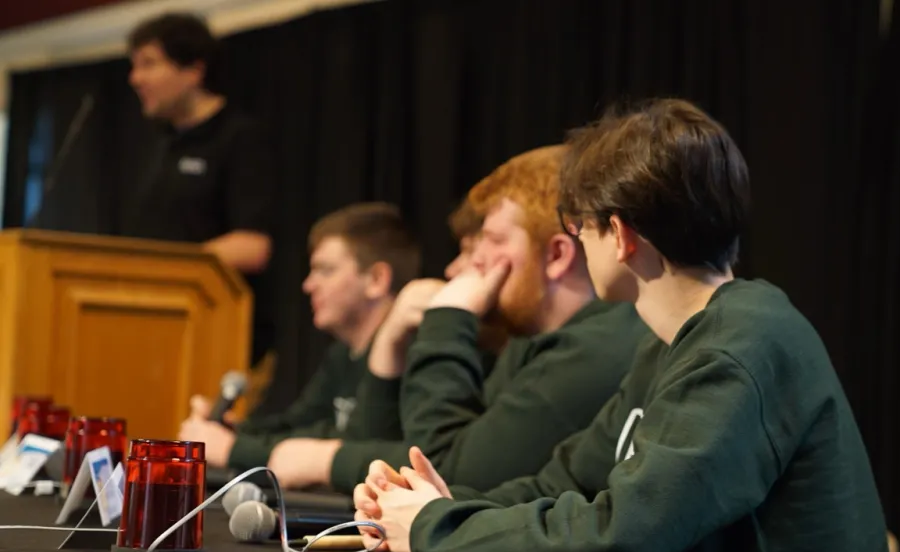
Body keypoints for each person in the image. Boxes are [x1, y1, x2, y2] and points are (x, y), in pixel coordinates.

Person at [354, 100, 899, 552]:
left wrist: (434, 526)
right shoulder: (676, 343)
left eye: (579, 227)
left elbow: (623, 533)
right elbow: (565, 483)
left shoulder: (741, 347)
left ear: (618, 234)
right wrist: (442, 504)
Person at [265, 145, 649, 493]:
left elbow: (444, 474)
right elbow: (420, 448)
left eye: (493, 241)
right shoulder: (528, 343)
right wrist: (389, 347)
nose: (470, 263)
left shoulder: (594, 347)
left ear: (557, 256)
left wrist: (448, 318)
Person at [179, 202, 420, 470]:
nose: (308, 285)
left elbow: (357, 447)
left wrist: (233, 450)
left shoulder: (410, 352)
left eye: (325, 270)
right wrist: (235, 432)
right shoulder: (342, 354)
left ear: (376, 279)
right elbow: (299, 425)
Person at [125, 13, 276, 364]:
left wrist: (164, 269)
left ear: (193, 70)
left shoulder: (240, 138)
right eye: (134, 66)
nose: (135, 78)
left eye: (149, 64)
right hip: (157, 326)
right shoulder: (160, 144)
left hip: (218, 337)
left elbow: (253, 247)